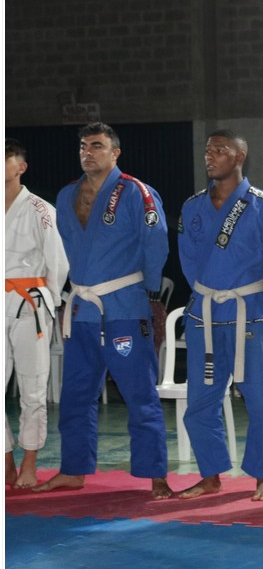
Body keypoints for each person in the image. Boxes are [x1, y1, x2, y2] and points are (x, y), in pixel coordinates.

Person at [34, 123, 172, 499]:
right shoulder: (67, 195)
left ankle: (155, 473)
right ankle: (73, 469)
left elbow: (156, 241)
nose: (88, 152)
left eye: (97, 145)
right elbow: (63, 250)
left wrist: (146, 290)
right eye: (83, 146)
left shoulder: (136, 191)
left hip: (124, 305)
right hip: (82, 309)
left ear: (115, 152)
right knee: (76, 394)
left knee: (139, 394)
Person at [176, 130, 263, 502]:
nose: (210, 156)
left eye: (219, 150)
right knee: (200, 403)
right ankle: (210, 475)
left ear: (240, 156)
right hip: (204, 315)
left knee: (261, 403)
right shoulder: (192, 207)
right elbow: (188, 262)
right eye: (207, 150)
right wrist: (208, 293)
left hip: (249, 314)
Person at [5, 139, 69, 488]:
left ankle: (29, 462)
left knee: (32, 387)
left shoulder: (41, 209)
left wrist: (50, 301)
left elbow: (57, 260)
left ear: (21, 167)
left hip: (29, 303)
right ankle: (5, 460)